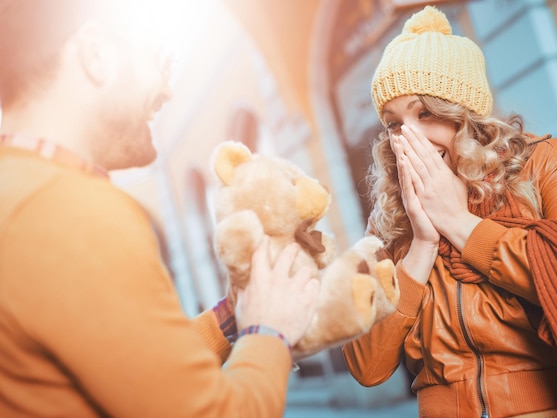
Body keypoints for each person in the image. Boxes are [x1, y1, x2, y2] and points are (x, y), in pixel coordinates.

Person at [0, 1, 320, 417]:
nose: (168, 91)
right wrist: (269, 330)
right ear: (96, 54)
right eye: (155, 58)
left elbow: (132, 366)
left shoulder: (24, 192)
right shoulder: (71, 212)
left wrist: (231, 317)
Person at [342, 5, 557, 418]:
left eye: (426, 113)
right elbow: (367, 367)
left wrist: (458, 222)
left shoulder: (543, 163)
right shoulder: (388, 216)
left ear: (465, 114)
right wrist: (422, 245)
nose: (409, 138)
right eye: (393, 123)